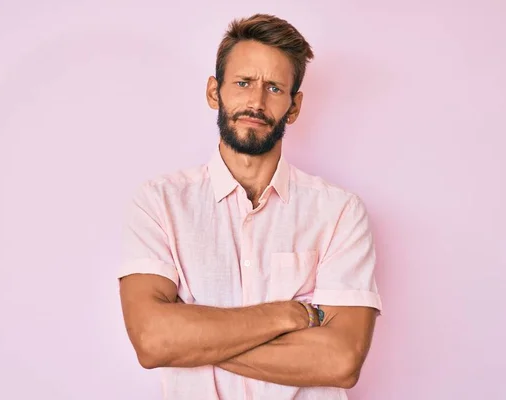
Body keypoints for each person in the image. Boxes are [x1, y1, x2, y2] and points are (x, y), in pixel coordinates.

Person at [118, 13, 382, 400]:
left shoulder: (339, 212)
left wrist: (192, 338)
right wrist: (290, 316)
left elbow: (340, 362)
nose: (256, 102)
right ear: (214, 92)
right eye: (243, 83)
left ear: (294, 107)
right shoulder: (159, 203)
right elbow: (153, 340)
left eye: (274, 88)